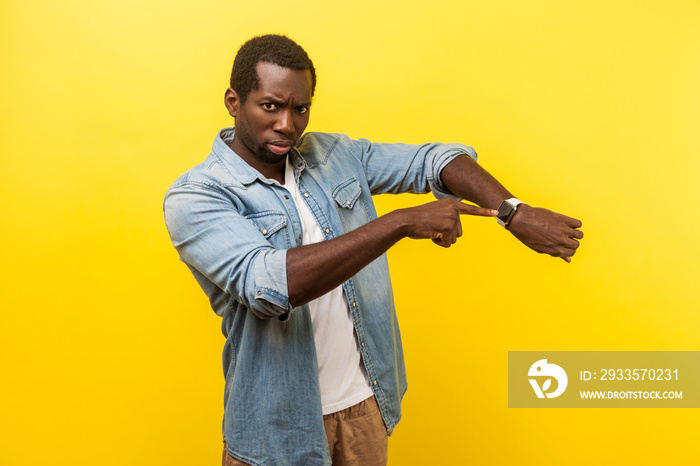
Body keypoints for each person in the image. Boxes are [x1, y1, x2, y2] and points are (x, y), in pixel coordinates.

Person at [163, 34, 583, 466]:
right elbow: (270, 286)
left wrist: (515, 212)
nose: (287, 124)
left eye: (300, 108)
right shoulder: (197, 197)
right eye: (270, 106)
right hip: (276, 432)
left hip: (365, 408)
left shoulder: (334, 155)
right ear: (234, 102)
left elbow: (435, 159)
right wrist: (400, 222)